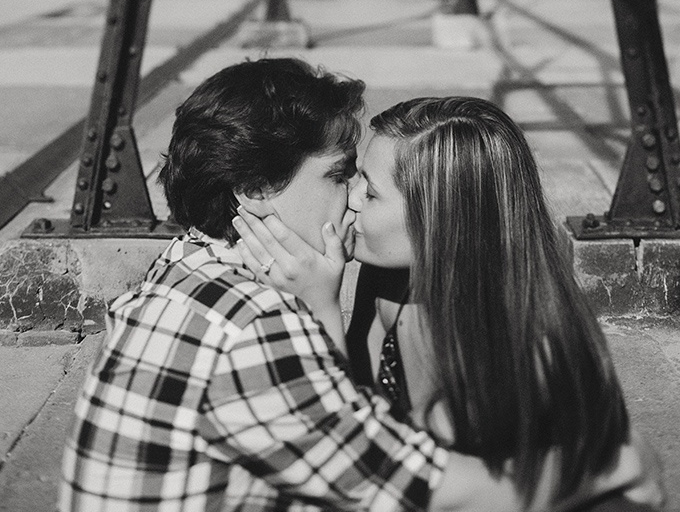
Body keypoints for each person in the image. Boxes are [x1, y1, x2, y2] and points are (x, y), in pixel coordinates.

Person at [59, 59, 617, 512]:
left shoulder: (187, 263)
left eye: (365, 187)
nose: (351, 197)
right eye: (339, 174)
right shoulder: (257, 324)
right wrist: (617, 468)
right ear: (255, 188)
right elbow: (397, 485)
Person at [235, 95, 661, 510]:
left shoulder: (517, 345)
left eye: (373, 193)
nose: (350, 198)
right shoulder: (387, 280)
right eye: (355, 175)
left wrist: (319, 308)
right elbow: (353, 427)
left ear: (440, 218)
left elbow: (432, 492)